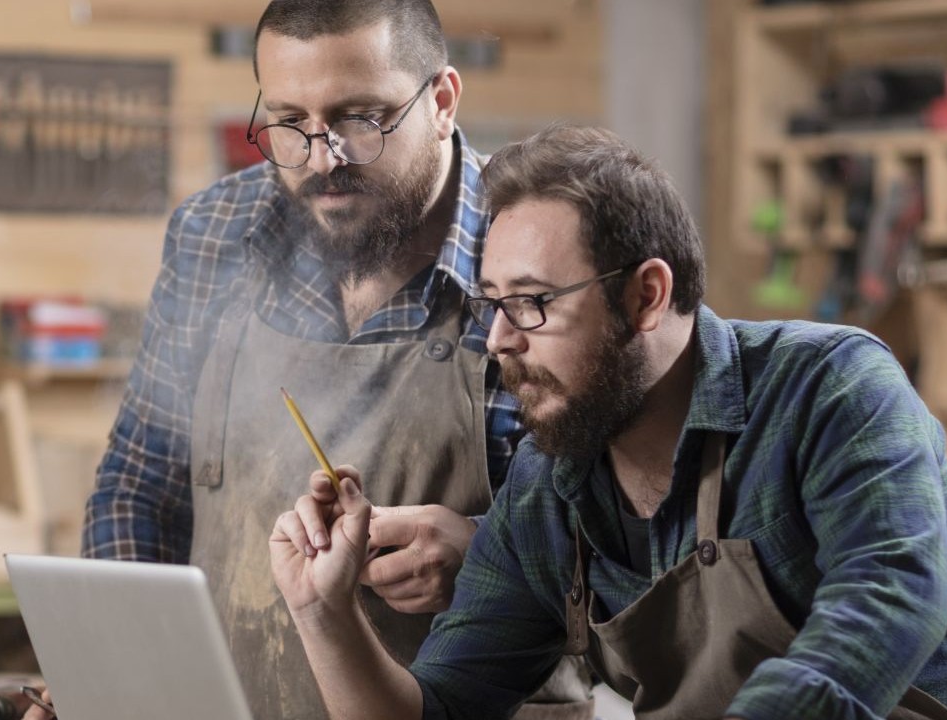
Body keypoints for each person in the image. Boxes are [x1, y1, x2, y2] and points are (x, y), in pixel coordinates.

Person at [270, 125, 947, 719]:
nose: (500, 338)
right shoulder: (550, 493)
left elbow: (888, 607)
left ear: (646, 295)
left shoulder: (834, 388)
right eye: (493, 304)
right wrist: (323, 611)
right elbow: (437, 710)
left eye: (534, 303)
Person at [40, 1, 592, 718]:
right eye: (291, 124)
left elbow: (624, 539)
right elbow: (141, 485)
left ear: (444, 101)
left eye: (361, 119)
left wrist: (489, 557)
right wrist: (117, 674)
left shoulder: (538, 257)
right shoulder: (214, 236)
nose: (324, 159)